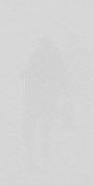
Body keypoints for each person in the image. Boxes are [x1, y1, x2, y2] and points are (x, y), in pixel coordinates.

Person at [22, 38, 71, 168]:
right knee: (46, 130)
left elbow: (26, 74)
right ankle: (44, 157)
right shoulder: (56, 59)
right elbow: (63, 82)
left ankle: (33, 157)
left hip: (35, 99)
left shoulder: (37, 56)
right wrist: (65, 102)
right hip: (49, 100)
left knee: (30, 128)